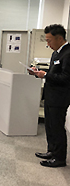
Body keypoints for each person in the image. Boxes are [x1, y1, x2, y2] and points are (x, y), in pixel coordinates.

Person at [31, 24, 70, 167]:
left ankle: (59, 159)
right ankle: (51, 151)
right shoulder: (56, 53)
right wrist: (38, 71)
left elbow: (66, 78)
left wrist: (46, 75)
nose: (47, 44)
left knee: (57, 127)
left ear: (59, 38)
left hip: (60, 98)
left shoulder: (68, 53)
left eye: (49, 40)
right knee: (49, 126)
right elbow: (54, 72)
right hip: (50, 96)